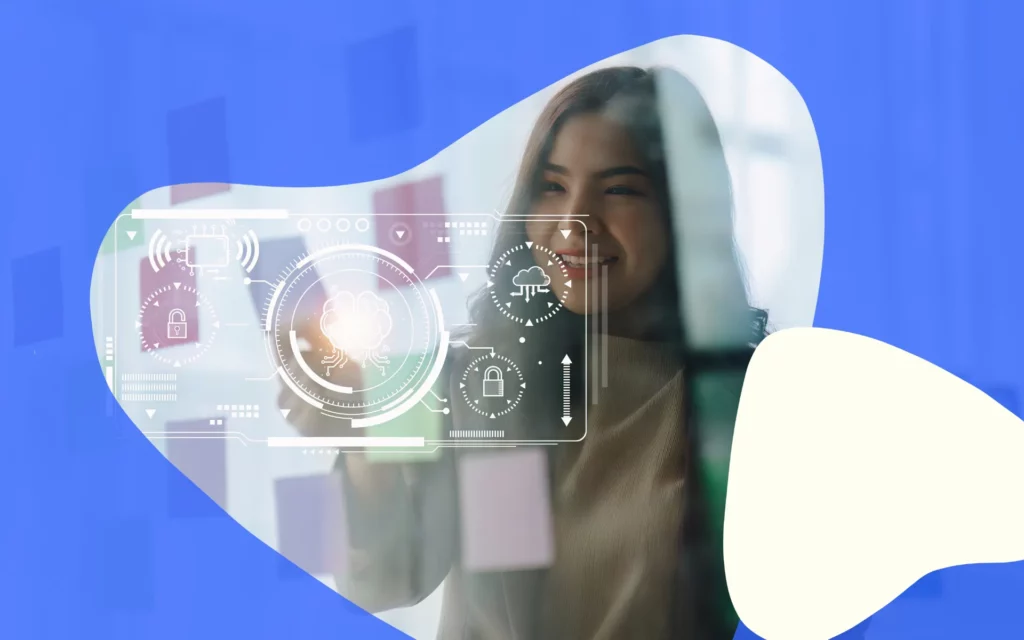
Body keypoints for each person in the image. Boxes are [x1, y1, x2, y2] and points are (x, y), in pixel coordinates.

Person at [279, 65, 769, 639]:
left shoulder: (756, 406)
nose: (573, 224)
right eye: (553, 187)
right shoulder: (462, 374)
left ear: (685, 210)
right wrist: (360, 432)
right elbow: (381, 582)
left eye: (617, 190)